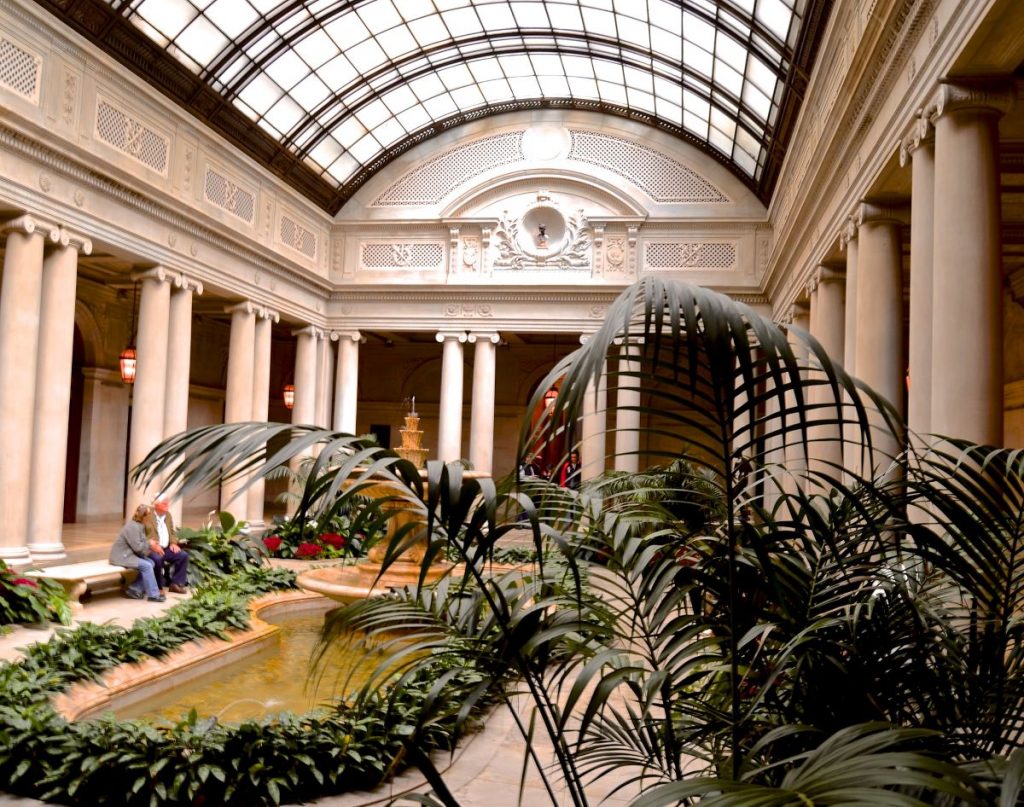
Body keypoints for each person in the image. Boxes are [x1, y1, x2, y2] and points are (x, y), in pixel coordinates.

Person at [110, 504, 165, 602]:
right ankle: (153, 595)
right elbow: (137, 547)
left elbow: (141, 544)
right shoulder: (132, 527)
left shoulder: (140, 525)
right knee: (147, 566)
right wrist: (149, 544)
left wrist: (151, 545)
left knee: (151, 563)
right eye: (149, 515)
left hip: (129, 554)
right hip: (122, 556)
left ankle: (134, 589)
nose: (151, 518)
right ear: (144, 516)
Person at [143, 495, 190, 594]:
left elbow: (172, 532)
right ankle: (158, 587)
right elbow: (140, 533)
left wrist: (173, 543)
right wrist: (151, 545)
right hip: (151, 549)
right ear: (156, 504)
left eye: (167, 503)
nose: (167, 506)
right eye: (164, 504)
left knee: (182, 556)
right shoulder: (147, 515)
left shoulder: (167, 515)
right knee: (157, 559)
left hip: (165, 548)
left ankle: (176, 584)